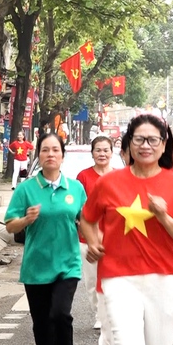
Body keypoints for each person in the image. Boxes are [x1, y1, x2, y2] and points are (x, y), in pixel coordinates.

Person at [80, 114, 173, 345]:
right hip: (118, 277)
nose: (146, 145)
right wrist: (93, 241)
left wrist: (163, 217)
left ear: (163, 144)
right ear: (129, 143)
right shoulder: (109, 182)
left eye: (152, 140)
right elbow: (86, 218)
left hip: (164, 278)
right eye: (139, 139)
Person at [5, 133, 86, 345]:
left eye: (55, 150)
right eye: (45, 150)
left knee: (61, 314)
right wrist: (26, 220)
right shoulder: (26, 189)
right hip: (37, 266)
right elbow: (10, 225)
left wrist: (96, 242)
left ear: (62, 155)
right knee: (41, 321)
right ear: (37, 155)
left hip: (67, 264)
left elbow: (85, 222)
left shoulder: (76, 188)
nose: (50, 154)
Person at [76, 135, 114, 330]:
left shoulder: (119, 177)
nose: (102, 154)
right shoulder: (83, 177)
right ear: (92, 154)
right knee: (92, 280)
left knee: (113, 279)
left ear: (112, 153)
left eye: (106, 150)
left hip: (114, 238)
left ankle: (112, 314)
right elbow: (78, 208)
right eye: (98, 150)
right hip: (88, 239)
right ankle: (99, 314)